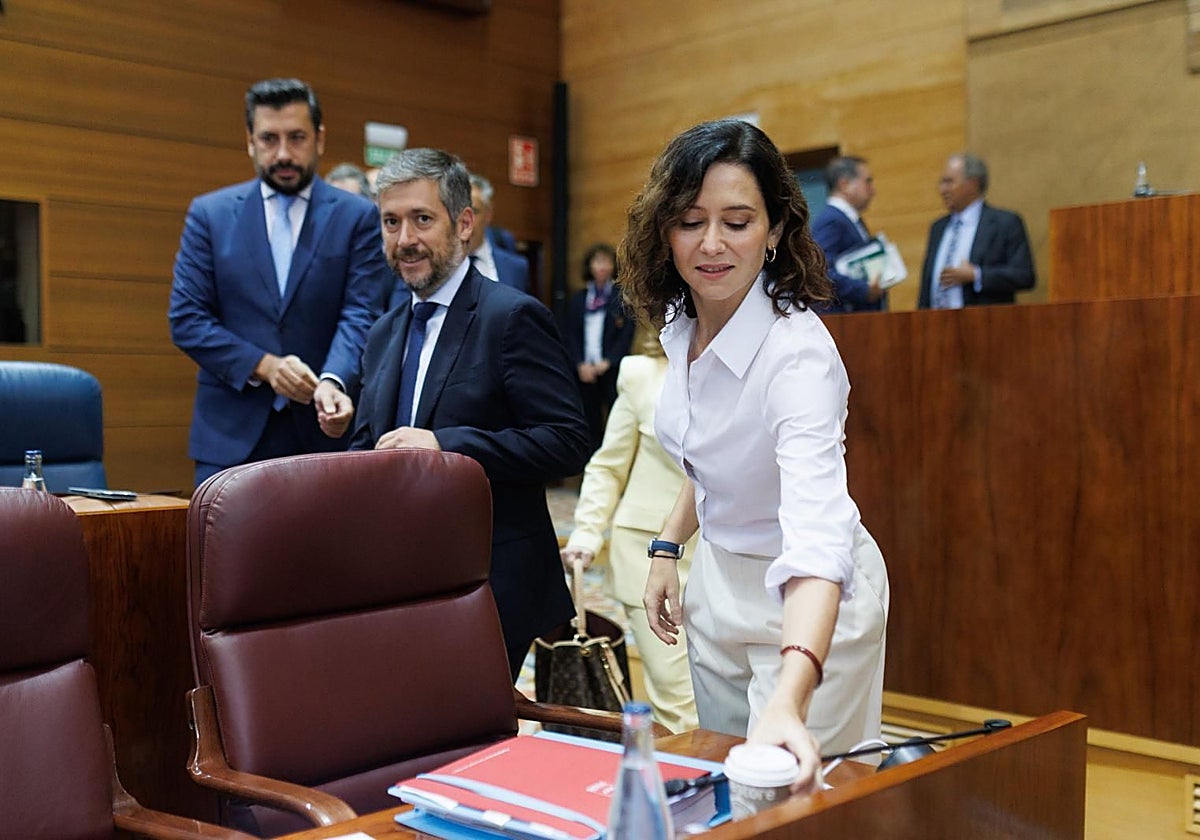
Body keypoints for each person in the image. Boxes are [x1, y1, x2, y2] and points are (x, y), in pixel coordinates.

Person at [619, 118, 890, 792]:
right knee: (728, 790)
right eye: (689, 220)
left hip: (809, 599)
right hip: (719, 590)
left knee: (794, 803)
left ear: (773, 231)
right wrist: (666, 548)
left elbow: (816, 542)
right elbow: (710, 454)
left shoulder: (796, 356)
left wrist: (792, 695)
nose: (711, 243)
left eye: (737, 222)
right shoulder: (681, 323)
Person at [348, 148, 591, 681]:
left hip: (490, 577)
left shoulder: (512, 317)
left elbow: (568, 440)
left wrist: (448, 446)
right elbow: (370, 443)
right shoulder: (384, 331)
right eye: (391, 222)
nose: (404, 238)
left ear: (463, 224)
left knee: (470, 735)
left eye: (421, 219)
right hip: (402, 576)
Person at [169, 78, 389, 487]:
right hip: (230, 437)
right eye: (269, 139)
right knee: (226, 552)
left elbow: (360, 313)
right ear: (249, 141)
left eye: (297, 137)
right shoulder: (210, 215)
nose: (283, 153)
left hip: (324, 431)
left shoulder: (356, 216)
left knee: (327, 552)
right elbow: (187, 319)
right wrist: (265, 366)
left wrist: (333, 380)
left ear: (320, 139)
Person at [560, 338, 699, 734]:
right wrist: (587, 532)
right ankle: (691, 788)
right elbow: (609, 466)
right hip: (648, 553)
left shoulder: (754, 367)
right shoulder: (641, 374)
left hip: (730, 555)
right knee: (679, 698)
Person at [918, 153, 1035, 309]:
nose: (942, 189)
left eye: (949, 182)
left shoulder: (1004, 224)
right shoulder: (938, 227)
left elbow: (1024, 275)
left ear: (972, 184)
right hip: (936, 325)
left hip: (984, 325)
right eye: (942, 183)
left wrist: (977, 275)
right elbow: (927, 287)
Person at [564, 243, 635, 452]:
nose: (602, 266)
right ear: (590, 265)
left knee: (616, 419)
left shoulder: (621, 297)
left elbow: (626, 335)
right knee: (589, 421)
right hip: (585, 371)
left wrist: (609, 361)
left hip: (611, 369)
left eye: (606, 261)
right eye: (597, 261)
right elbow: (570, 335)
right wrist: (579, 364)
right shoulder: (579, 299)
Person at [811, 156, 886, 312]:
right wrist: (864, 290)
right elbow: (820, 272)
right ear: (844, 184)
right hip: (843, 321)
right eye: (867, 182)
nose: (873, 190)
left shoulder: (852, 220)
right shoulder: (832, 220)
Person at [467, 174, 529, 292]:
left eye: (474, 211)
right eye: (459, 211)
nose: (466, 220)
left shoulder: (515, 268)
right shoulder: (438, 263)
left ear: (488, 214)